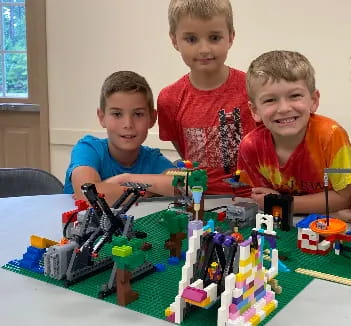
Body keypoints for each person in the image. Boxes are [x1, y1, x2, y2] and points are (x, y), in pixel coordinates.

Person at [237, 50, 351, 220]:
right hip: (284, 223)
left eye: (295, 96)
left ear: (314, 101)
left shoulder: (331, 135)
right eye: (270, 100)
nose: (284, 108)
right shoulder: (250, 146)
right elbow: (258, 199)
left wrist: (282, 202)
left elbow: (346, 197)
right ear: (255, 111)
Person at [157, 0, 256, 196]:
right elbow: (184, 152)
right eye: (191, 39)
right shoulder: (168, 99)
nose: (204, 49)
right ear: (174, 40)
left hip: (254, 198)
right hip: (198, 199)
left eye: (214, 37)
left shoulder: (254, 88)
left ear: (231, 37)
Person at [63, 71, 174, 205]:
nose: (128, 124)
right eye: (117, 114)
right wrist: (153, 190)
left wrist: (126, 179)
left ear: (152, 118)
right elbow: (89, 194)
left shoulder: (153, 159)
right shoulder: (88, 149)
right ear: (102, 117)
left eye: (138, 114)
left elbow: (183, 186)